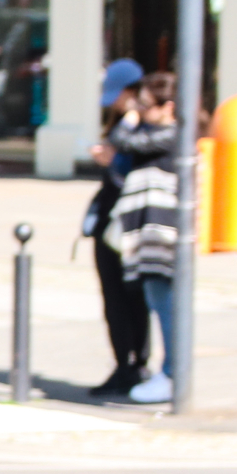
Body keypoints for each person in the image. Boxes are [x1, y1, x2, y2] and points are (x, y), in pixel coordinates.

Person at [105, 74, 184, 405]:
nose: (140, 111)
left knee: (164, 304)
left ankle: (172, 374)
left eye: (146, 106)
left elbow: (126, 141)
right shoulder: (161, 132)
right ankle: (170, 372)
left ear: (169, 107)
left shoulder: (171, 134)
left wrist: (128, 120)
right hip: (151, 231)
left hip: (161, 233)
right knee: (158, 301)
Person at [83, 57, 148, 397]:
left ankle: (131, 365)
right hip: (115, 217)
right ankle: (130, 362)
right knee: (123, 296)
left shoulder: (139, 125)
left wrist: (113, 159)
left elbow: (131, 169)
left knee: (125, 296)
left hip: (124, 220)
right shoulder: (127, 122)